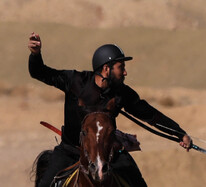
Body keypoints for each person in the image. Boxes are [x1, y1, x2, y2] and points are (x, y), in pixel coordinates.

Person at [28, 32, 192, 187]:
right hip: (70, 151)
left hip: (109, 153)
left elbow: (150, 114)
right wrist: (35, 55)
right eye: (121, 67)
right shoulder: (74, 81)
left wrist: (179, 133)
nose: (125, 72)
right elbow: (39, 73)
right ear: (106, 68)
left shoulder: (121, 92)